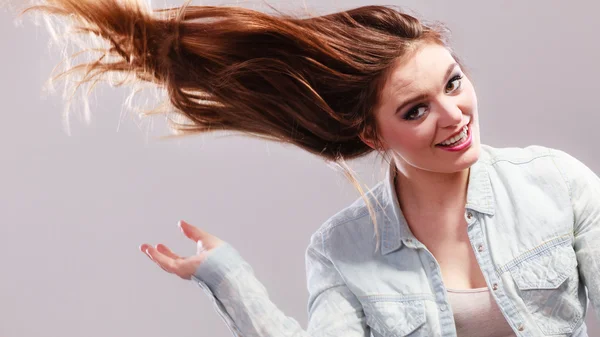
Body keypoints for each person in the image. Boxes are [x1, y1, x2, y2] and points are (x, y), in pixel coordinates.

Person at [20, 1, 600, 336]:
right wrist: (227, 276)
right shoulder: (342, 249)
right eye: (416, 109)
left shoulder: (557, 183)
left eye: (453, 82)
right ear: (371, 133)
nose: (454, 114)